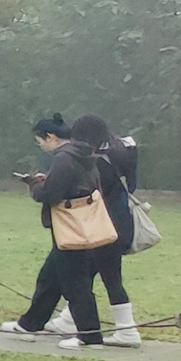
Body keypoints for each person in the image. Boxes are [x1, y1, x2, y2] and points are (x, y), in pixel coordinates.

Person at [0, 113, 110, 348]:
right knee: (50, 278)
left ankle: (90, 335)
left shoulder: (63, 158)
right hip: (81, 225)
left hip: (69, 228)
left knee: (75, 283)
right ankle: (30, 324)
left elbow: (50, 194)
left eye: (40, 141)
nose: (41, 146)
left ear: (50, 137)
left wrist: (34, 184)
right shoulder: (84, 155)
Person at [43, 115, 144, 346]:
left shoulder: (95, 161)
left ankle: (125, 331)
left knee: (95, 276)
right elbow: (132, 185)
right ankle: (71, 319)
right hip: (121, 222)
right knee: (97, 274)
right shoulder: (121, 153)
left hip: (99, 223)